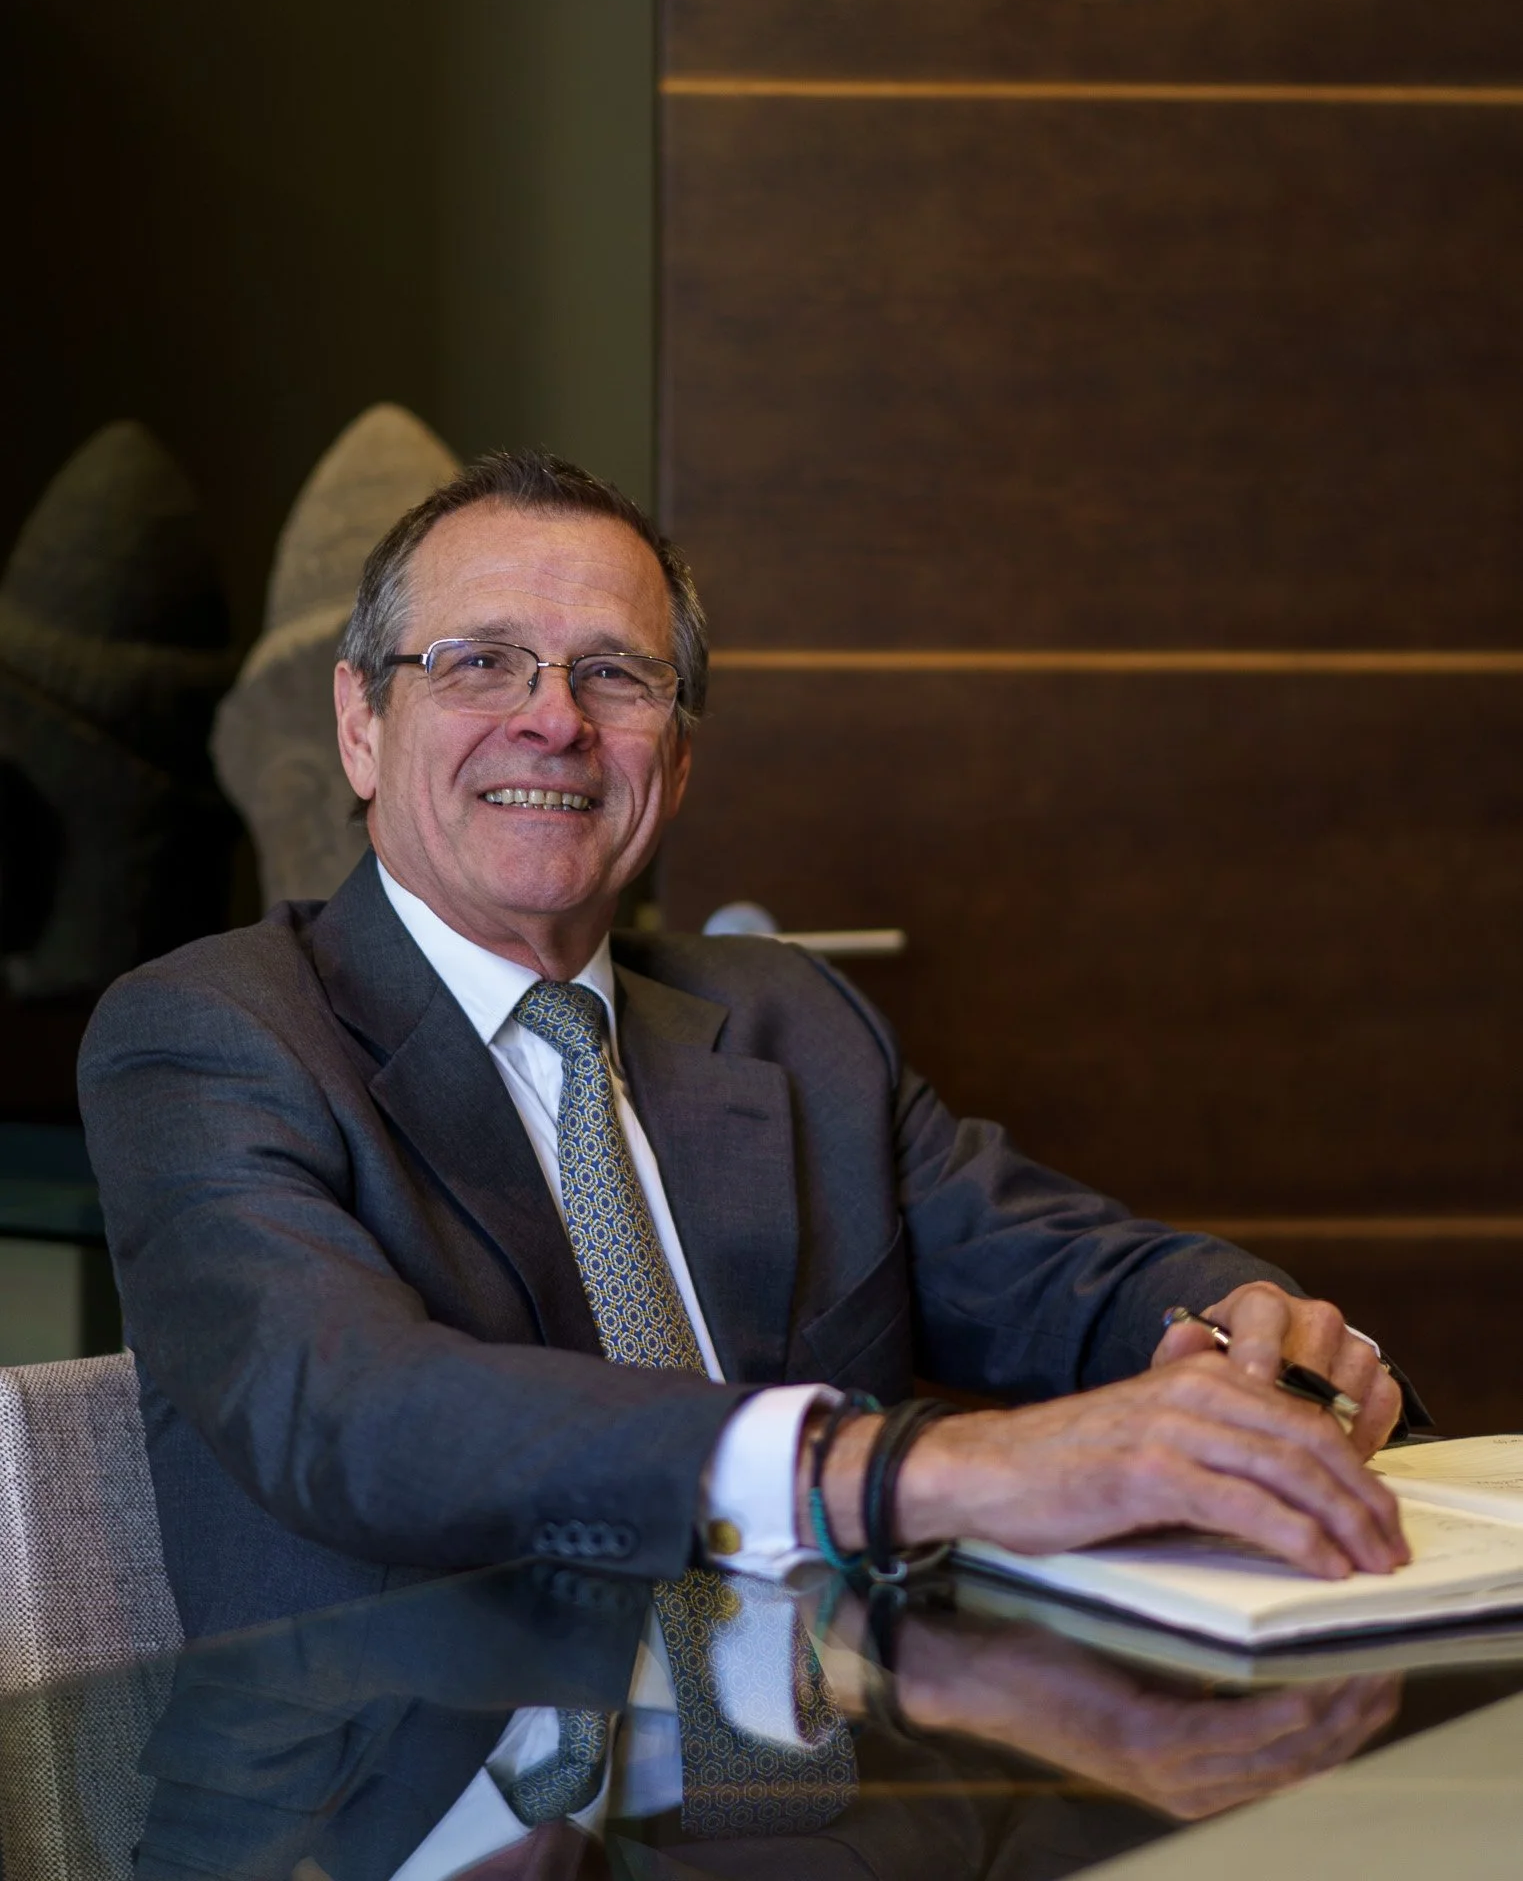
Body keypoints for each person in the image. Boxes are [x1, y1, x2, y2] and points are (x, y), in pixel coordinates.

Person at [79, 451, 1414, 1644]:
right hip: (400, 1810)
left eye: (614, 674)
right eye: (479, 662)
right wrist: (904, 1472)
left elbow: (1063, 1271)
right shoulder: (210, 1033)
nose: (554, 719)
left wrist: (1231, 1334)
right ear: (362, 725)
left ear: (679, 756)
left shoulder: (794, 1024)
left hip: (839, 1785)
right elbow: (355, 1410)